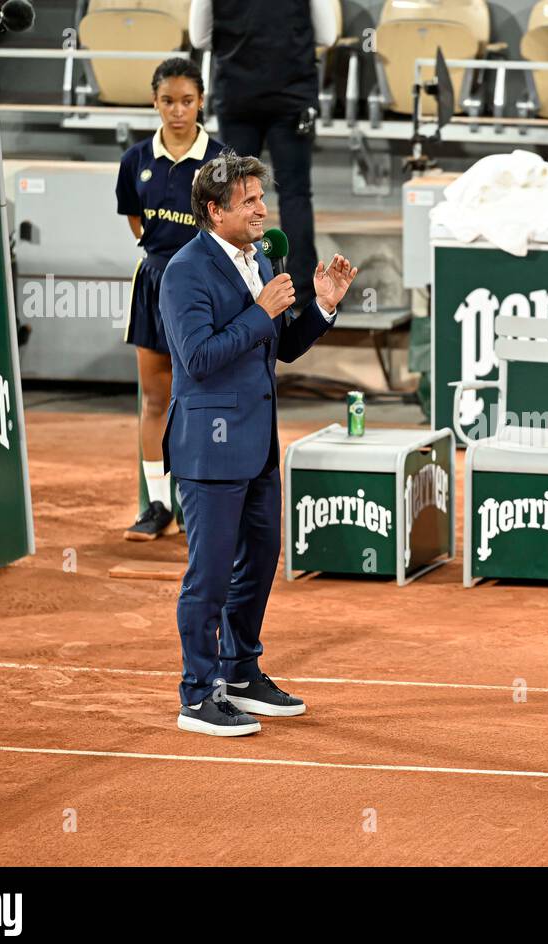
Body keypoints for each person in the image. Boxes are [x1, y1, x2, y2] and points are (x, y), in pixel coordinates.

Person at [159, 149, 358, 736]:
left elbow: (281, 347)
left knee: (260, 561)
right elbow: (197, 358)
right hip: (208, 446)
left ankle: (241, 671)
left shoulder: (254, 259)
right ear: (214, 210)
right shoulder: (185, 271)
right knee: (211, 574)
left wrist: (322, 304)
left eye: (260, 198)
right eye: (248, 201)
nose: (261, 210)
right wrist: (260, 310)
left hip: (256, 445)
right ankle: (197, 694)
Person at [116, 57, 224, 541]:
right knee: (156, 399)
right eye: (167, 101)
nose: (177, 111)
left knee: (204, 397)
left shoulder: (221, 161)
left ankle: (205, 506)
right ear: (154, 102)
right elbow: (137, 224)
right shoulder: (134, 160)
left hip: (207, 286)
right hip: (154, 284)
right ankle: (158, 505)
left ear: (201, 101)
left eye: (186, 101)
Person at [188, 0, 337, 290]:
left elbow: (199, 38)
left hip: (237, 94)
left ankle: (234, 284)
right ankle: (302, 289)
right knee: (295, 194)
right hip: (292, 95)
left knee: (234, 194)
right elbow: (327, 36)